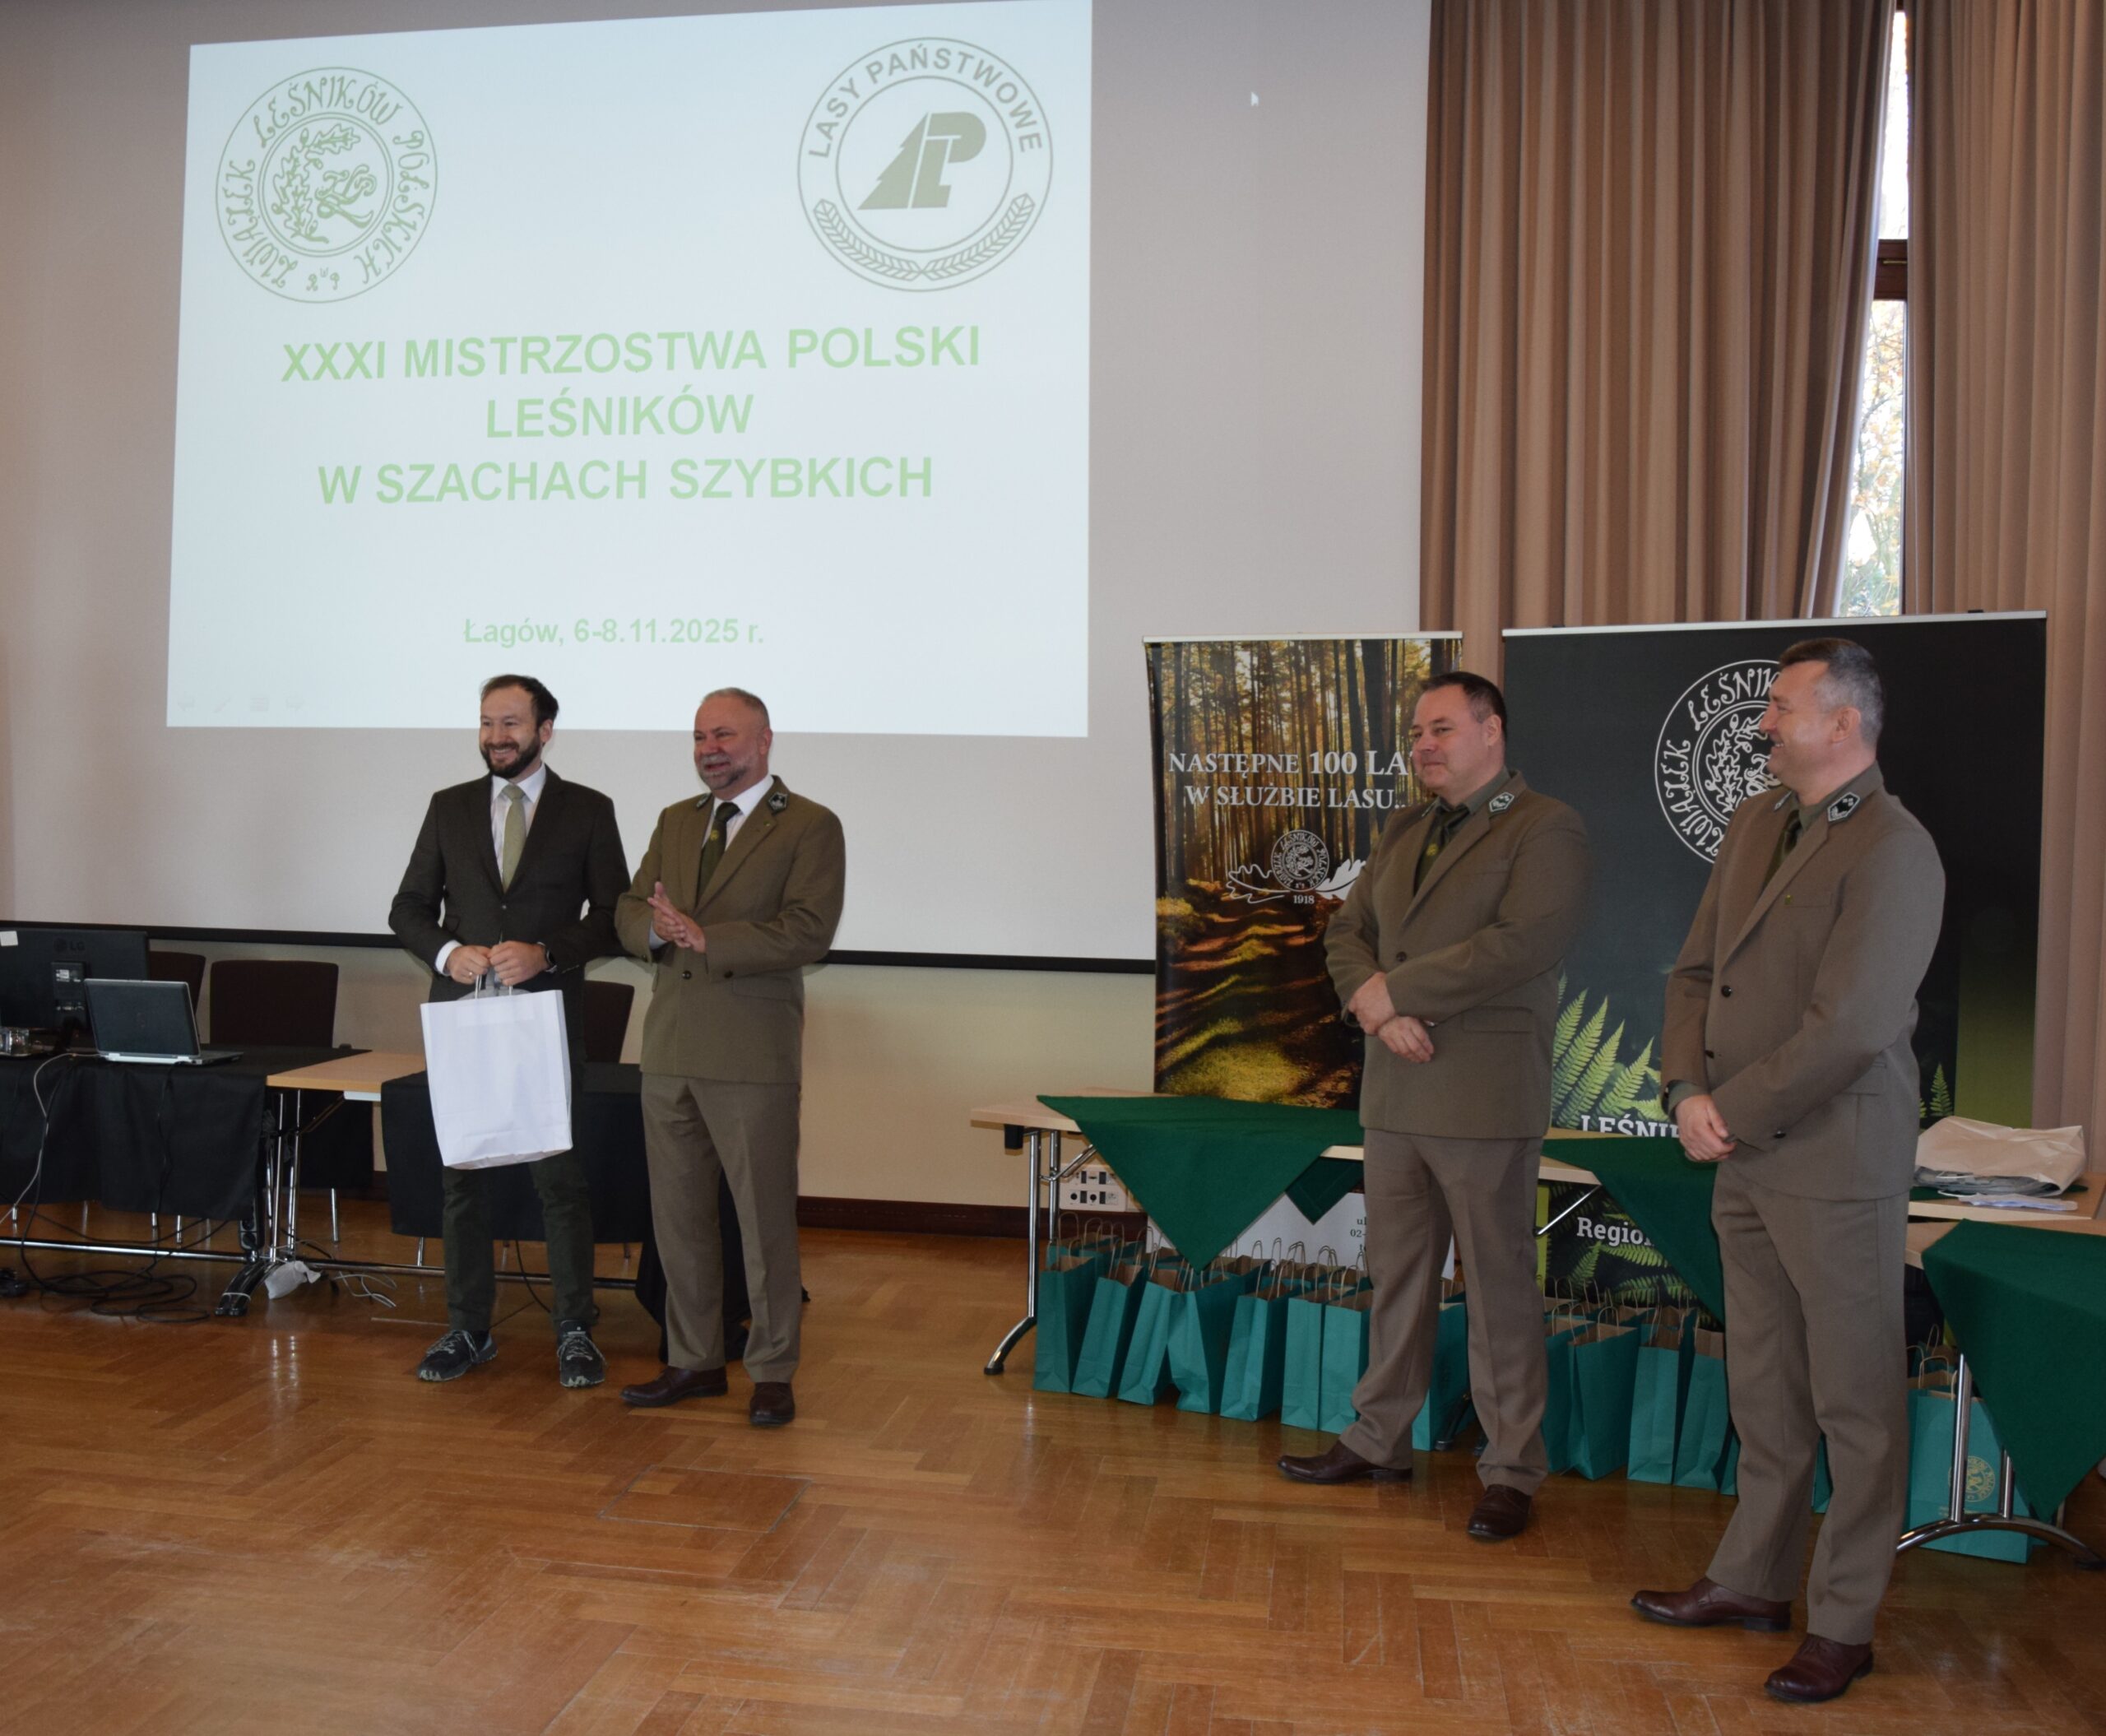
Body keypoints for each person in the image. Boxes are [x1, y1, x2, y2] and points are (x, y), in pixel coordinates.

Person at [1631, 638, 1944, 1706]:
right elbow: (1694, 973)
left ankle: (1844, 1620)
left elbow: (1852, 1023)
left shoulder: (1895, 848)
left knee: (1856, 1402)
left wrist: (1732, 1109)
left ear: (1844, 723)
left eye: (1780, 705)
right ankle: (1753, 1578)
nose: (1762, 722)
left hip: (1833, 1157)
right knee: (1763, 1384)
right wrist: (1685, 1088)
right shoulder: (1759, 821)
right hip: (1742, 1151)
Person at [1282, 671, 1591, 1543]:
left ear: (1492, 732)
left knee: (1497, 1290)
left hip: (1482, 1093)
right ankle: (1378, 1437)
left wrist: (1398, 992)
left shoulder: (1546, 827)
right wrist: (1375, 1006)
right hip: (1396, 1086)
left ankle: (1512, 1469)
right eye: (1417, 731)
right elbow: (1348, 931)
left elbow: (1523, 942)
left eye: (1442, 728)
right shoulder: (1405, 827)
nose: (1423, 744)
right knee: (1397, 1277)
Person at [388, 674, 629, 1387]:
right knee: (462, 1180)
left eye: (512, 723)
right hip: (464, 1020)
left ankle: (575, 1330)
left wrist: (546, 953)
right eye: (488, 722)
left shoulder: (588, 810)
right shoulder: (449, 806)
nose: (497, 736)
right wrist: (446, 952)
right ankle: (468, 1328)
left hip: (543, 1020)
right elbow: (407, 907)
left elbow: (613, 915)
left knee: (560, 1179)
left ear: (545, 730)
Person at [615, 688, 845, 1426]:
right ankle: (694, 1360)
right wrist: (655, 931)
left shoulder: (809, 824)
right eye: (699, 737)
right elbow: (629, 908)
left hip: (751, 1054)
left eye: (724, 735)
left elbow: (809, 930)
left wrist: (710, 938)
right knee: (679, 1220)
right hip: (670, 1048)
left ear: (764, 740)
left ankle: (772, 1370)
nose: (709, 750)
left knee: (762, 1222)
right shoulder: (676, 820)